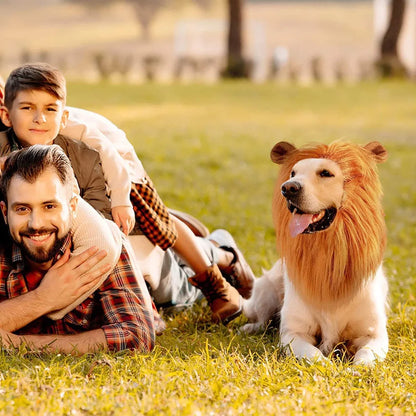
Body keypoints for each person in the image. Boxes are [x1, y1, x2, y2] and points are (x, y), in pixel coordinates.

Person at [0, 63, 255, 324]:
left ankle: (221, 253)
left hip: (121, 182)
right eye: (27, 109)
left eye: (48, 110)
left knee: (162, 243)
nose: (39, 118)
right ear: (7, 114)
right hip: (73, 221)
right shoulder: (9, 140)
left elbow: (108, 167)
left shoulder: (78, 139)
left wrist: (121, 201)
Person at [0, 145, 156, 354]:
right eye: (22, 209)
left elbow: (136, 336)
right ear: (4, 212)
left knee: (178, 278)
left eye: (49, 206)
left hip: (153, 262)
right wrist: (44, 298)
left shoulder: (101, 244)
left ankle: (213, 248)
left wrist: (18, 344)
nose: (35, 224)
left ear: (73, 206)